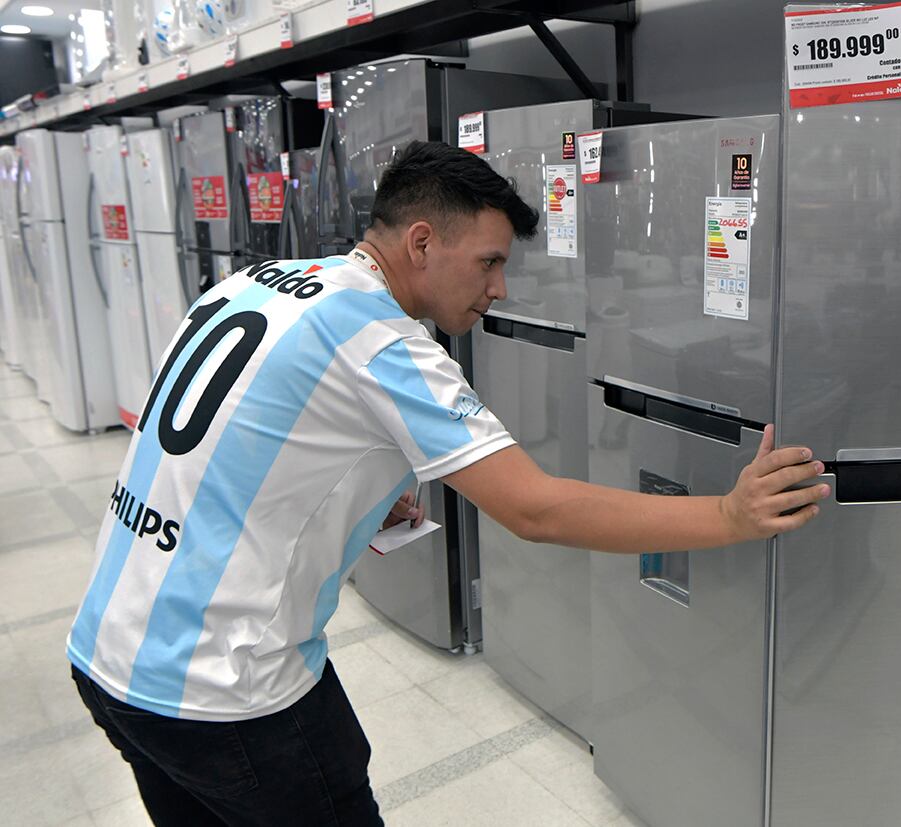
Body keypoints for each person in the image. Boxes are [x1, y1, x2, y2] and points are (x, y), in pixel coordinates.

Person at [67, 140, 828, 826]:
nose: (499, 289)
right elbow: (534, 508)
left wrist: (353, 496)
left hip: (109, 654)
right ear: (422, 242)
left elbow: (213, 449)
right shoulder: (381, 340)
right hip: (226, 691)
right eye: (490, 262)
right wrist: (730, 514)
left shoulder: (254, 284)